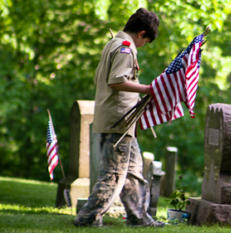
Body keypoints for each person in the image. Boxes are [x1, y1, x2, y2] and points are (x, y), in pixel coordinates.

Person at [74, 8, 165, 228]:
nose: (144, 46)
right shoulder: (126, 48)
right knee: (113, 174)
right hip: (119, 122)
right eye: (147, 41)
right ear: (142, 33)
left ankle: (138, 217)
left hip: (122, 121)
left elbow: (99, 78)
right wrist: (147, 89)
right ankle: (88, 217)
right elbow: (116, 81)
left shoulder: (113, 43)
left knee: (133, 173)